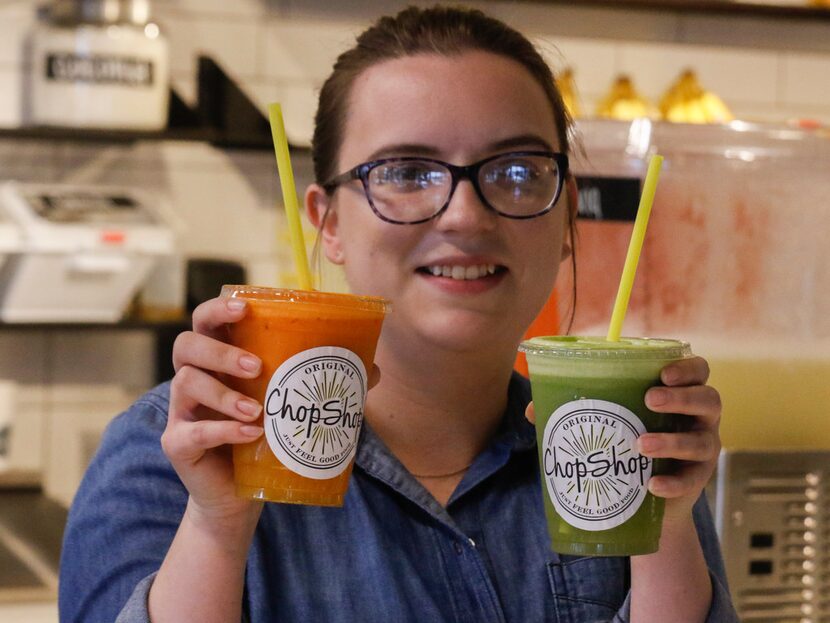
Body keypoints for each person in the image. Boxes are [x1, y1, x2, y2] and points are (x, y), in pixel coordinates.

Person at [59, 6, 738, 623]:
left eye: (517, 170)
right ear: (327, 224)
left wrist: (665, 525)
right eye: (408, 172)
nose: (466, 214)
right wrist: (216, 525)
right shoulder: (173, 458)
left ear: (566, 217)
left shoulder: (619, 448)